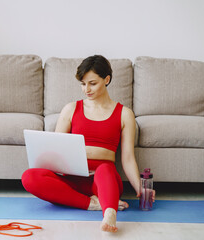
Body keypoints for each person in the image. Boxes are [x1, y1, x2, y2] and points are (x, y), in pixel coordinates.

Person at [21, 55, 155, 233]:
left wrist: (140, 188)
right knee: (29, 177)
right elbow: (55, 150)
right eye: (83, 84)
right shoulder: (70, 109)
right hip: (73, 179)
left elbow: (128, 158)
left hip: (103, 181)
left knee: (105, 170)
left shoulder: (124, 114)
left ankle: (109, 213)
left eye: (92, 83)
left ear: (106, 80)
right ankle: (91, 204)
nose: (86, 89)